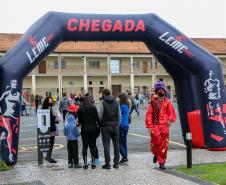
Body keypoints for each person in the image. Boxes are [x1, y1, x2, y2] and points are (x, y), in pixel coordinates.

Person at [145, 81, 176, 170]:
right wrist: (149, 126)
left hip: (165, 126)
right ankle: (156, 153)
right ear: (156, 91)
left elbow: (171, 113)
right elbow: (149, 114)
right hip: (155, 125)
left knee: (164, 144)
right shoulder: (152, 103)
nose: (161, 92)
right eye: (159, 90)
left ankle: (161, 162)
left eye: (162, 90)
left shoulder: (168, 102)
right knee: (156, 142)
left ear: (164, 91)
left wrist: (170, 120)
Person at [99, 89, 121, 169]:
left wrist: (99, 122)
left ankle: (107, 163)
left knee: (106, 145)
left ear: (104, 94)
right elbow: (119, 115)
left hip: (105, 126)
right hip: (115, 126)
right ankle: (116, 163)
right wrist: (117, 123)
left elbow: (100, 116)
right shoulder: (116, 102)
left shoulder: (103, 103)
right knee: (116, 145)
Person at [78, 96, 100, 169]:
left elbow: (79, 121)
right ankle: (93, 163)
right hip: (93, 128)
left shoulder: (80, 109)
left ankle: (85, 163)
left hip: (84, 129)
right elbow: (97, 118)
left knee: (85, 146)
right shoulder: (93, 107)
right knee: (92, 146)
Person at [64, 104, 81, 168]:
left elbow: (65, 132)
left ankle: (70, 163)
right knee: (75, 151)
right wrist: (79, 133)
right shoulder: (74, 125)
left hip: (69, 139)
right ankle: (76, 163)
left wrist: (67, 134)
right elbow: (77, 133)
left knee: (70, 151)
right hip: (74, 139)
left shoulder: (66, 121)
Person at [42, 96, 58, 163]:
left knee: (50, 143)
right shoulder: (45, 110)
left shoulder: (50, 108)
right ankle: (48, 157)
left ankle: (48, 156)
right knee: (50, 143)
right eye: (50, 101)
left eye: (52, 101)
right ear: (47, 102)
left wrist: (55, 120)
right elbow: (47, 120)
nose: (51, 102)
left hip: (51, 128)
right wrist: (54, 116)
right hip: (49, 129)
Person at [118, 93, 130, 164]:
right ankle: (125, 156)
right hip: (126, 125)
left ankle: (124, 156)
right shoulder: (127, 105)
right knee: (123, 142)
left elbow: (117, 115)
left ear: (121, 98)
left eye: (118, 98)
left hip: (121, 125)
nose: (117, 99)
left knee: (118, 142)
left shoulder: (122, 106)